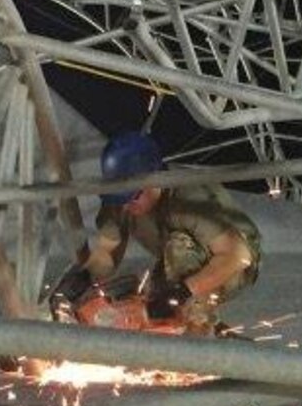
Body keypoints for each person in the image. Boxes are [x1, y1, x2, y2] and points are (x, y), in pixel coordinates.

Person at [50, 132, 260, 330]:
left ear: (155, 179)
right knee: (151, 296)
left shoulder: (190, 197)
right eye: (120, 198)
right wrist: (83, 278)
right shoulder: (121, 200)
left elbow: (238, 256)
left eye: (132, 197)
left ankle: (198, 338)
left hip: (233, 260)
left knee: (175, 279)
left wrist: (182, 292)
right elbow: (107, 252)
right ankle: (186, 323)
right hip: (176, 254)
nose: (126, 207)